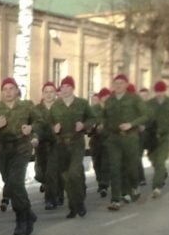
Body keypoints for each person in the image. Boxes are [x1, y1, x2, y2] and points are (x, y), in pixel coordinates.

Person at [0, 77, 40, 235]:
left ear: (17, 90)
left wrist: (32, 129)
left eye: (11, 88)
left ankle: (21, 219)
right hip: (4, 151)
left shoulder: (26, 106)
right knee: (11, 185)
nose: (8, 92)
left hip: (21, 148)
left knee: (15, 182)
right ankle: (28, 212)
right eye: (5, 89)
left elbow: (41, 121)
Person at [46, 76, 95, 218]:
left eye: (68, 87)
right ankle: (73, 206)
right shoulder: (56, 105)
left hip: (76, 143)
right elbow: (48, 124)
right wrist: (53, 128)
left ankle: (79, 202)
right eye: (62, 87)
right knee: (66, 177)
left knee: (74, 172)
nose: (65, 90)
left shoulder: (82, 103)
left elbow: (93, 118)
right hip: (61, 144)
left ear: (73, 88)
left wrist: (84, 125)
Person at [102, 74, 149, 209]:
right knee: (115, 168)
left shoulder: (134, 98)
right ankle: (116, 199)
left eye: (121, 83)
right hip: (114, 138)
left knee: (131, 167)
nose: (118, 85)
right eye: (116, 83)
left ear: (127, 84)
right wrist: (103, 126)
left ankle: (134, 185)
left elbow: (146, 115)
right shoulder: (109, 100)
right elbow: (104, 117)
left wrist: (132, 124)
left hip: (130, 137)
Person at [146, 80, 169, 197]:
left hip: (165, 136)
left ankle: (156, 187)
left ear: (165, 91)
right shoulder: (149, 103)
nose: (159, 94)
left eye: (161, 91)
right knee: (153, 160)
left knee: (160, 161)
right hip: (151, 137)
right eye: (157, 91)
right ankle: (163, 173)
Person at [34, 82, 62, 210]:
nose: (49, 94)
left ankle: (50, 199)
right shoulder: (37, 109)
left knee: (52, 171)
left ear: (55, 93)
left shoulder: (60, 107)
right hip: (41, 144)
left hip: (56, 144)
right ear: (42, 93)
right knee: (41, 173)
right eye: (46, 92)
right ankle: (58, 191)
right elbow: (33, 124)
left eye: (51, 92)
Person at [90, 89, 111, 196]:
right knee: (96, 163)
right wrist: (93, 127)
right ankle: (100, 182)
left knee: (105, 163)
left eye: (108, 96)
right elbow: (89, 121)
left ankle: (104, 184)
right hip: (95, 140)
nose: (106, 99)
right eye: (104, 97)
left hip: (108, 141)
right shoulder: (94, 109)